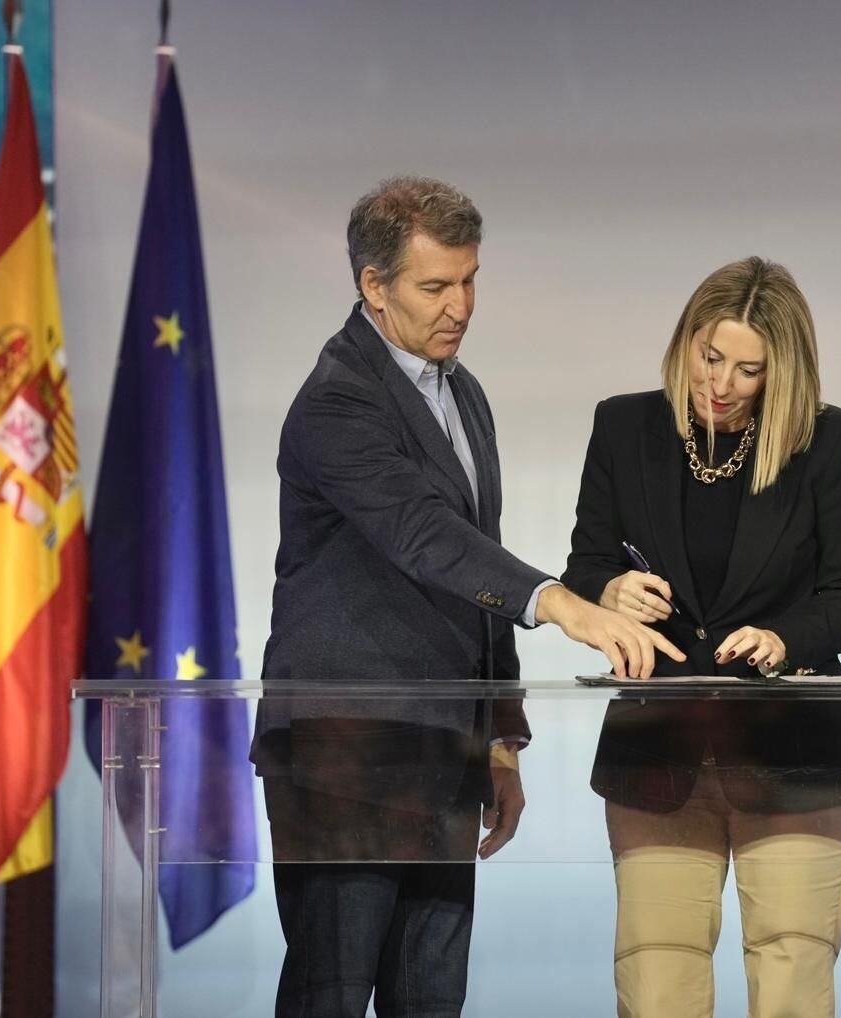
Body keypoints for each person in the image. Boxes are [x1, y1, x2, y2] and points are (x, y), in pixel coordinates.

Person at [253, 175, 683, 1018]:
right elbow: (422, 535)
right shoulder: (337, 400)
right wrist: (566, 603)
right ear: (373, 288)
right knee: (329, 999)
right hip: (345, 756)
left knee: (431, 1002)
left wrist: (501, 737)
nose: (461, 305)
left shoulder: (465, 393)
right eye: (435, 286)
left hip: (442, 752)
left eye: (470, 279)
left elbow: (474, 567)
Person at [561, 256, 841, 1018]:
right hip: (658, 753)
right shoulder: (624, 427)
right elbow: (586, 566)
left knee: (790, 975)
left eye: (749, 370)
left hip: (796, 755)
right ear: (686, 341)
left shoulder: (828, 442)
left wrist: (785, 639)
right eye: (711, 357)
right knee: (656, 978)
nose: (722, 383)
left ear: (782, 371)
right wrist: (606, 591)